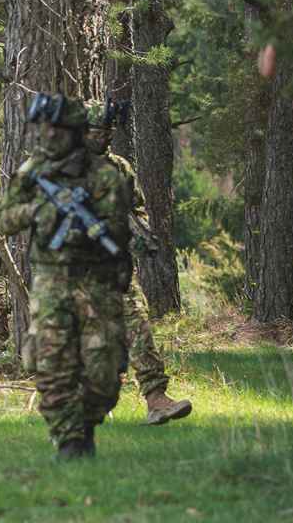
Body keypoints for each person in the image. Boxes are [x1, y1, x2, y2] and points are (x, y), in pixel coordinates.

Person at [0, 93, 134, 460]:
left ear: (74, 132)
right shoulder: (33, 172)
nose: (48, 135)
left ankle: (85, 423)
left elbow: (118, 230)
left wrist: (86, 226)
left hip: (96, 280)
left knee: (105, 373)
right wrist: (39, 210)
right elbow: (5, 220)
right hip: (50, 280)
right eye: (44, 128)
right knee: (50, 363)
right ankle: (69, 439)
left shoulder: (104, 174)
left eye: (56, 128)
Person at [87, 125, 194, 425]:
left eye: (107, 130)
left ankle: (156, 398)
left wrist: (138, 232)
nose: (104, 136)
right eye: (97, 131)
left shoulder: (119, 166)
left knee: (137, 323)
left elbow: (137, 207)